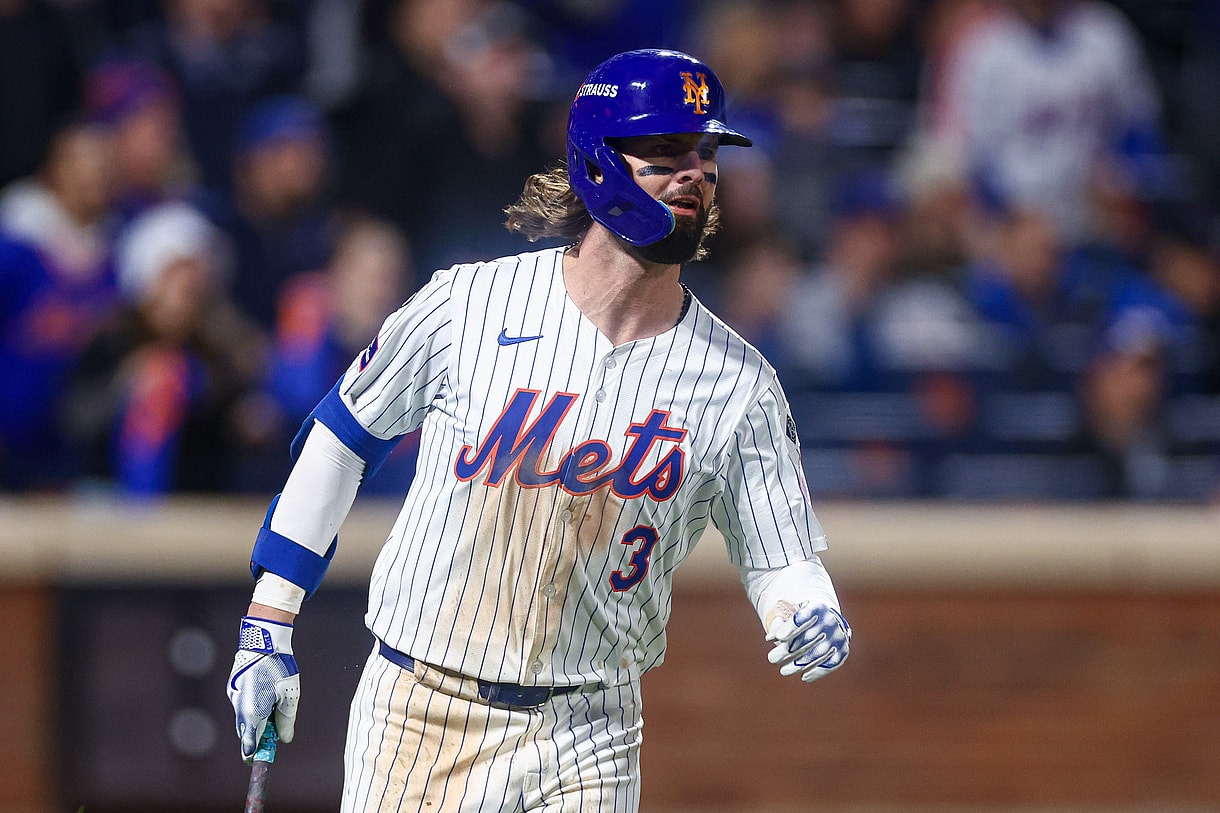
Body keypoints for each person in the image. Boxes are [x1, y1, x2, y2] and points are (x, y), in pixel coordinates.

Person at [226, 49, 851, 812]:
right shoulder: (468, 304)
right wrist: (269, 618)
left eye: (707, 154)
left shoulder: (739, 381)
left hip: (593, 725)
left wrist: (806, 606)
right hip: (423, 709)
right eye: (665, 152)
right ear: (597, 159)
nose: (695, 174)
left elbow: (783, 556)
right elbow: (340, 439)